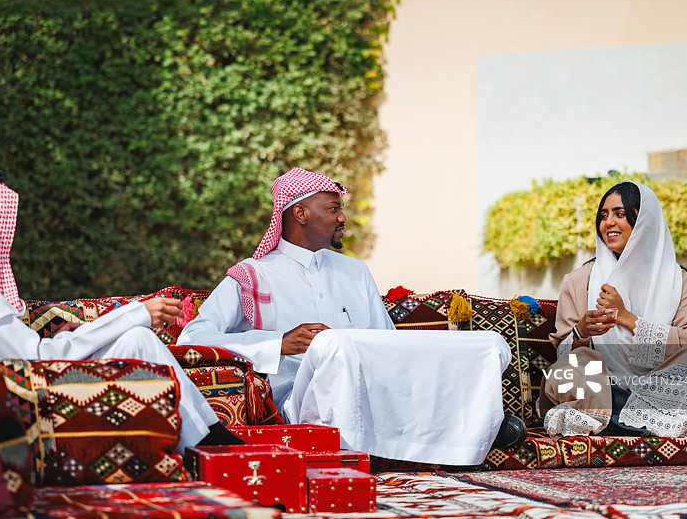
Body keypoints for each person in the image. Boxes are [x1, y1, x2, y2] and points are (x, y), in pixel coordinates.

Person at [179, 167, 521, 464]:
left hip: (374, 395)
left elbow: (387, 343)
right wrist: (278, 343)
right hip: (296, 403)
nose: (342, 217)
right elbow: (192, 339)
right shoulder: (252, 276)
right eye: (333, 208)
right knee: (334, 345)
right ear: (300, 213)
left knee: (487, 343)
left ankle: (479, 427)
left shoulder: (354, 272)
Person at [0, 153, 242, 452]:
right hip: (8, 405)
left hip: (7, 392)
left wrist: (85, 331)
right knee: (137, 336)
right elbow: (33, 361)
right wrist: (135, 313)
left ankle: (211, 444)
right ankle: (214, 451)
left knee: (137, 340)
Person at [537, 180, 687, 451]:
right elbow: (563, 351)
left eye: (620, 214)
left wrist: (628, 318)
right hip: (599, 385)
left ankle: (623, 418)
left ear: (644, 222)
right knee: (572, 367)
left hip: (660, 382)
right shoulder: (578, 280)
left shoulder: (677, 279)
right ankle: (633, 418)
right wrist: (582, 331)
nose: (608, 223)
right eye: (603, 216)